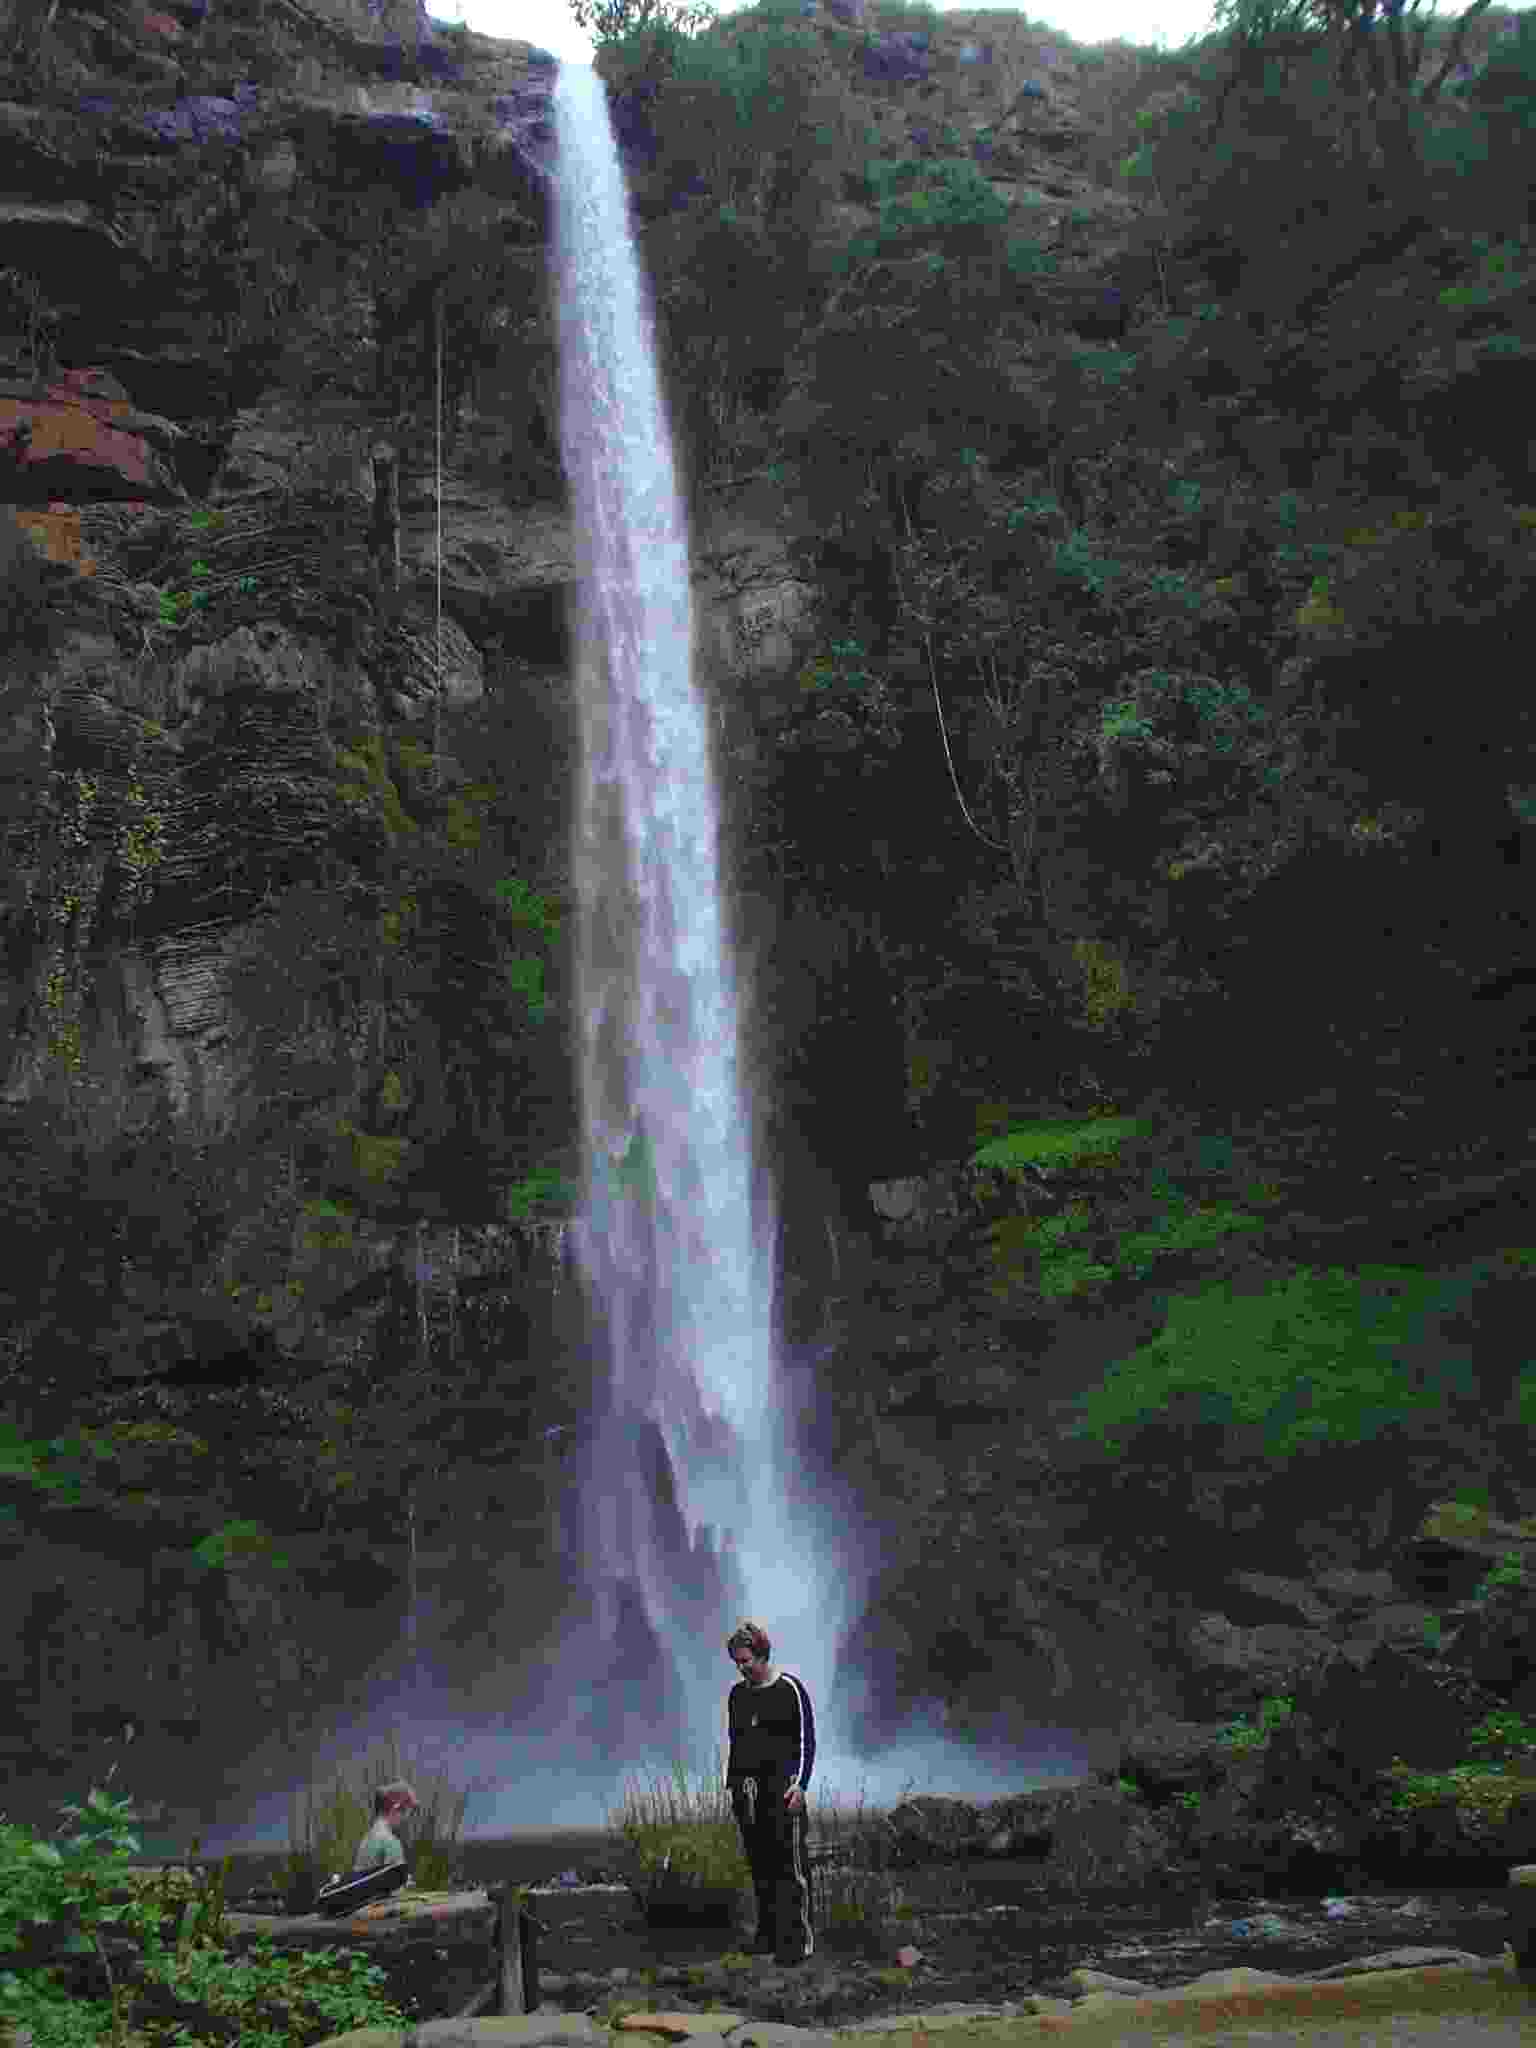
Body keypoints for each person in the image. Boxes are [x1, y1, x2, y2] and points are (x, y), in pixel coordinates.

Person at [722, 1620, 816, 1964]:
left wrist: (801, 1785)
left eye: (746, 1660)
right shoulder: (737, 1696)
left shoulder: (790, 1689)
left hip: (783, 1791)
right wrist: (733, 1787)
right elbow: (736, 1743)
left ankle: (798, 1941)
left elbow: (807, 1741)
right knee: (760, 1868)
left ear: (762, 1654)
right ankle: (768, 1936)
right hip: (748, 1794)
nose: (741, 1667)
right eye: (737, 1662)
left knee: (790, 1867)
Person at [353, 1780, 418, 1873]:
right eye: (406, 1812)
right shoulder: (391, 1843)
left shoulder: (366, 1839)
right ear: (395, 1808)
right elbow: (394, 1885)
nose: (406, 1818)